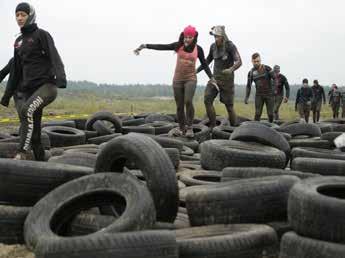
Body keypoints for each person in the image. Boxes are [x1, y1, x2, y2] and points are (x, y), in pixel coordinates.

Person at [0, 2, 66, 161]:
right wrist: (6, 95)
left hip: (47, 87)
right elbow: (14, 68)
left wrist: (61, 77)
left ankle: (22, 152)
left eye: (23, 15)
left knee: (27, 111)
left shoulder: (42, 35)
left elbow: (54, 55)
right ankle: (42, 161)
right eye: (17, 15)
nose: (19, 18)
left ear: (30, 16)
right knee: (35, 133)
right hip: (29, 90)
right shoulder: (18, 42)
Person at [134, 25, 214, 138]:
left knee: (188, 101)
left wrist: (211, 78)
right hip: (177, 79)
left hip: (191, 78)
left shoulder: (198, 49)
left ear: (194, 37)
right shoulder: (178, 46)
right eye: (186, 36)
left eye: (190, 37)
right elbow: (162, 47)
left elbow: (205, 65)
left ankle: (190, 128)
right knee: (179, 106)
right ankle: (182, 128)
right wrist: (145, 46)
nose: (187, 39)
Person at [196, 25, 242, 127]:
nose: (216, 39)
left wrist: (231, 69)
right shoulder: (213, 47)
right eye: (214, 37)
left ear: (223, 36)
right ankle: (212, 126)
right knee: (207, 99)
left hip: (227, 80)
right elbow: (206, 61)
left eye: (218, 36)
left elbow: (239, 61)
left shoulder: (230, 46)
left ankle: (234, 129)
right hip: (215, 79)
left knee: (229, 106)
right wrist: (196, 71)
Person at [245, 53, 274, 123]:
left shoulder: (267, 68)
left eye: (258, 61)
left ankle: (272, 129)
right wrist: (246, 97)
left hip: (269, 94)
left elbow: (275, 79)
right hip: (259, 95)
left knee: (270, 114)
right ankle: (255, 130)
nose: (256, 63)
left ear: (260, 60)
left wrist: (275, 91)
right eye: (254, 61)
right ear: (252, 61)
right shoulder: (251, 72)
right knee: (257, 114)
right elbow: (248, 86)